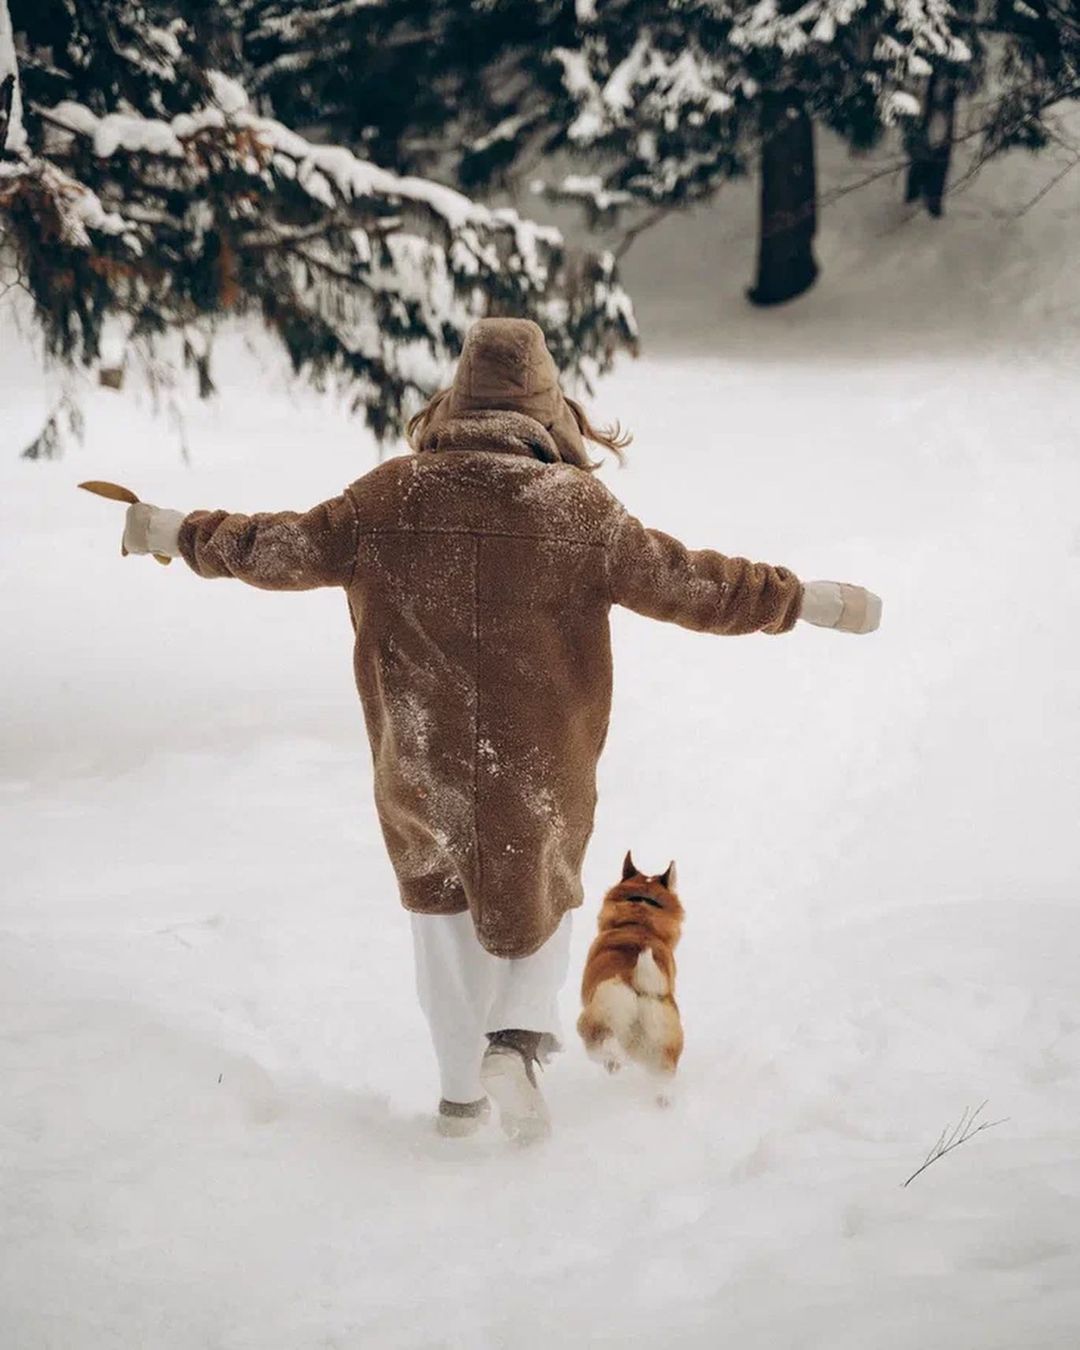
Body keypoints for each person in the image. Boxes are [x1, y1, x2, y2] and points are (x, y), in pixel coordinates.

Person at [118, 318, 881, 1143]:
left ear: (457, 399)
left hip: (418, 757)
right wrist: (803, 599)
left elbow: (274, 546)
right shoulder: (577, 509)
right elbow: (690, 582)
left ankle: (458, 1102)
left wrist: (170, 530)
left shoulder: (387, 498)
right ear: (549, 409)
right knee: (540, 905)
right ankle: (515, 1040)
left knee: (440, 923)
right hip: (538, 763)